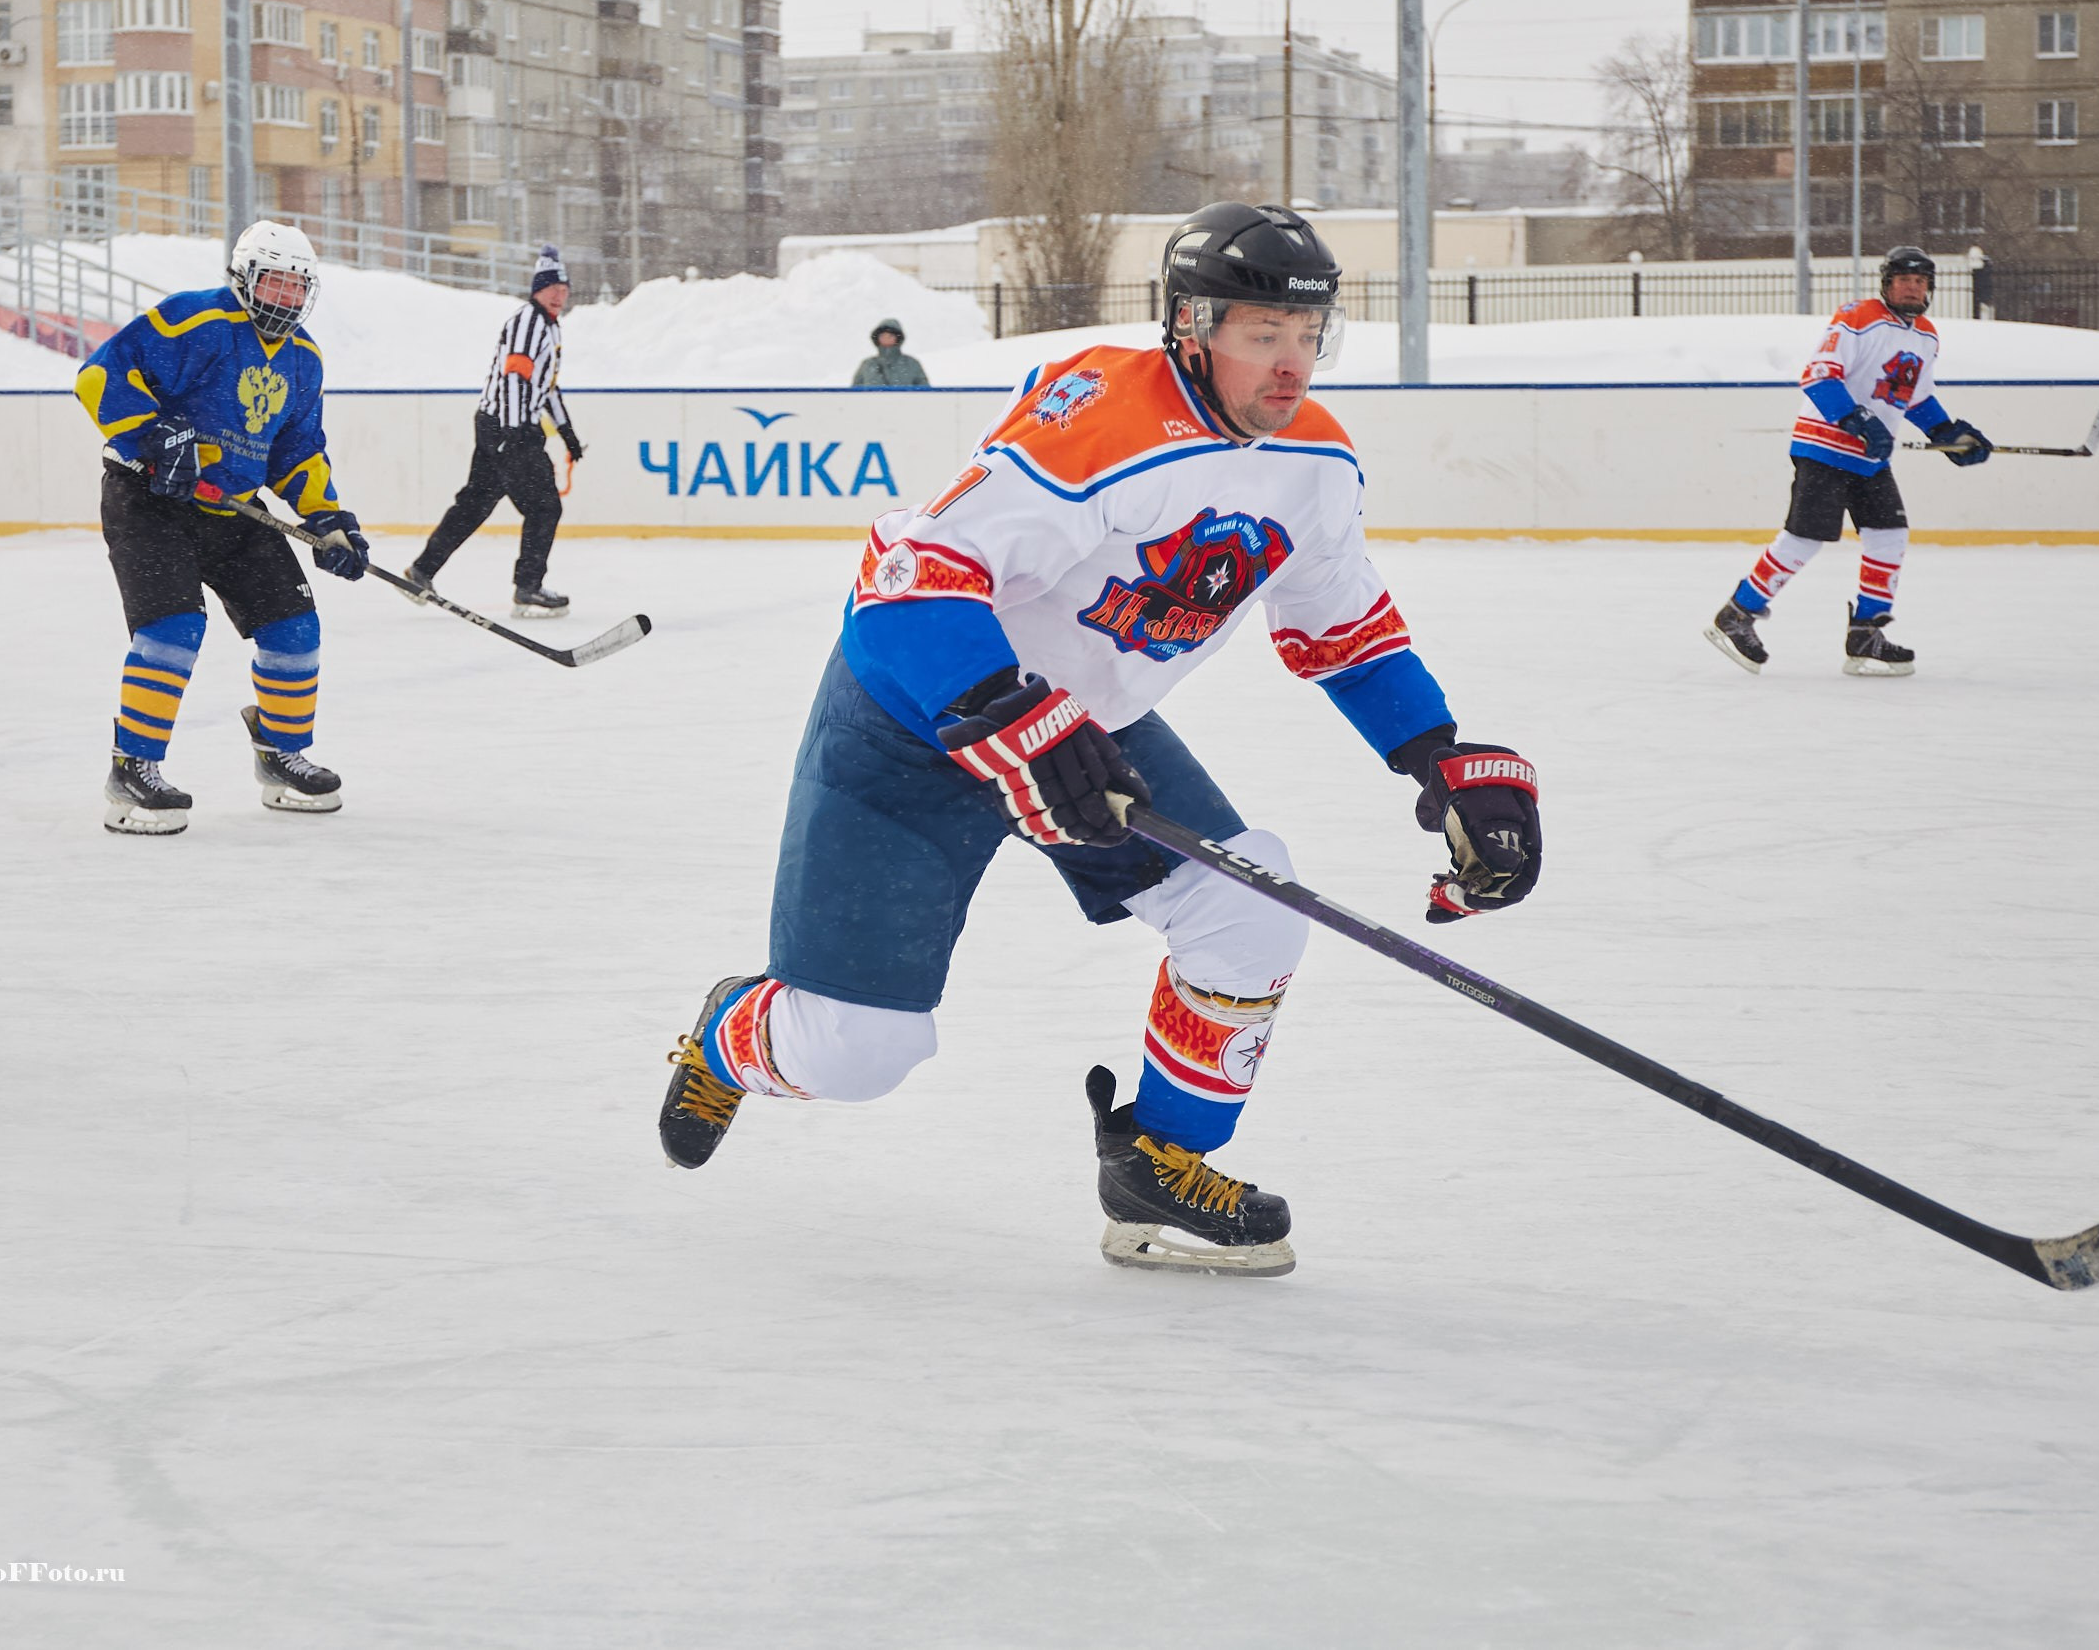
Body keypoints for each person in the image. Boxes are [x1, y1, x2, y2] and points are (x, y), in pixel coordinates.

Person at [654, 202, 1546, 1277]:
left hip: (1086, 733)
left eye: (1310, 337)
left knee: (1252, 905)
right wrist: (1004, 707)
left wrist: (1438, 757)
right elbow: (903, 583)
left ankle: (1157, 1164)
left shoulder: (1313, 463)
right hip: (911, 728)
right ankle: (730, 1033)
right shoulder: (1101, 422)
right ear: (1189, 325)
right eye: (1262, 335)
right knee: (859, 1051)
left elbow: (1341, 627)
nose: (1291, 366)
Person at [73, 221, 369, 836]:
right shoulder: (193, 321)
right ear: (243, 278)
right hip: (148, 498)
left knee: (295, 630)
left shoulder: (304, 359)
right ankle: (133, 768)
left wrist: (330, 521)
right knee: (173, 629)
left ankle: (280, 754)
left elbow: (298, 451)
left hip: (233, 508)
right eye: (274, 282)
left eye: (297, 287)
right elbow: (99, 377)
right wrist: (157, 438)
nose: (284, 298)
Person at [1705, 246, 1992, 678]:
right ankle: (1737, 614)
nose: (1912, 288)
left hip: (1869, 458)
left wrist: (1947, 433)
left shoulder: (1926, 334)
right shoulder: (1858, 316)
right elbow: (1819, 375)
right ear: (1886, 283)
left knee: (1890, 535)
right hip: (1824, 446)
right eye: (1903, 280)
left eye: (1921, 282)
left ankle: (1866, 633)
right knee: (1804, 538)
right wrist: (1855, 417)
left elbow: (1912, 395)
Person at [408, 245, 584, 618]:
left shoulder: (550, 327)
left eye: (564, 289)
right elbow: (514, 378)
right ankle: (529, 587)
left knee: (474, 505)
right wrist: (514, 431)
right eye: (552, 288)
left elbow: (546, 386)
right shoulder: (529, 322)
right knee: (544, 507)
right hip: (509, 427)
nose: (559, 295)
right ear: (537, 290)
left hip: (502, 425)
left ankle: (422, 571)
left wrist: (566, 432)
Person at [850, 317, 928, 388]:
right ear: (877, 339)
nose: (886, 339)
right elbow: (855, 394)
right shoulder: (868, 365)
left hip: (903, 403)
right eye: (882, 336)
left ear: (897, 339)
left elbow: (924, 393)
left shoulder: (911, 364)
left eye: (890, 336)